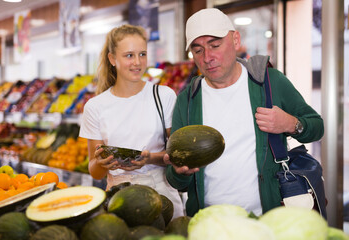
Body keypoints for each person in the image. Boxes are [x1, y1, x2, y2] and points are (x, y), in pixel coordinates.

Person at [164, 8, 324, 217]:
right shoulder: (187, 100)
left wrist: (290, 124)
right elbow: (177, 181)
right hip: (209, 222)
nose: (208, 57)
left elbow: (316, 127)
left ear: (236, 40)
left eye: (215, 45)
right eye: (198, 50)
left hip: (268, 218)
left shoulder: (270, 81)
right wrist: (179, 172)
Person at [79, 24, 184, 219]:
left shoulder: (163, 96)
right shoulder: (95, 107)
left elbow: (179, 154)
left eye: (142, 54)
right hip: (120, 198)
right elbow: (95, 172)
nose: (137, 62)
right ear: (112, 59)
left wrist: (149, 158)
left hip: (162, 195)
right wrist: (103, 163)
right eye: (129, 55)